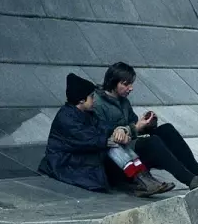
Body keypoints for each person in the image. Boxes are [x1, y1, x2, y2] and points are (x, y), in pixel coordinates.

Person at [39, 73, 171, 197]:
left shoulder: (87, 114)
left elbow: (103, 127)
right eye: (91, 97)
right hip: (65, 160)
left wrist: (118, 131)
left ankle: (144, 178)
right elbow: (86, 139)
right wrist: (113, 140)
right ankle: (142, 180)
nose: (94, 100)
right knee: (113, 146)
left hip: (80, 154)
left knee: (114, 144)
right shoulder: (66, 117)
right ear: (81, 100)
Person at [92, 62, 198, 189]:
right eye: (126, 84)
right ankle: (191, 181)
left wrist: (148, 124)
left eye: (131, 84)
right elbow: (106, 135)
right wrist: (134, 128)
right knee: (152, 142)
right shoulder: (97, 103)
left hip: (131, 146)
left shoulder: (123, 101)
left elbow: (135, 127)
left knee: (167, 130)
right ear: (113, 82)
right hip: (118, 160)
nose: (131, 88)